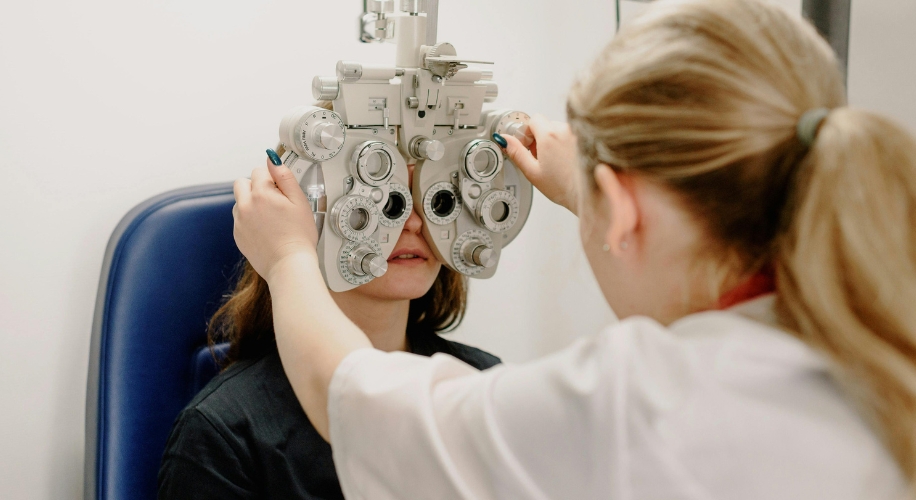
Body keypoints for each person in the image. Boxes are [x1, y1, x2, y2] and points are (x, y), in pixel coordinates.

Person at [231, 0, 916, 498]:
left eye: (429, 199)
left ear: (619, 208)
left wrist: (289, 261)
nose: (409, 222)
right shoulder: (877, 342)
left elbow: (360, 405)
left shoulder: (637, 406)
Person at [157, 156, 501, 499]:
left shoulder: (485, 381)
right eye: (383, 201)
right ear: (305, 219)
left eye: (434, 200)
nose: (412, 222)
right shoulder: (224, 434)